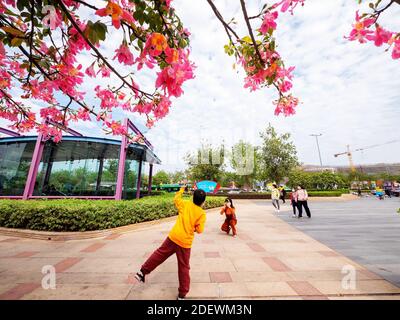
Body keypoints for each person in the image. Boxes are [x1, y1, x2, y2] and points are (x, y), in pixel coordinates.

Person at [134, 185, 207, 300]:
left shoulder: (185, 204)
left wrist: (182, 189)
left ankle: (142, 272)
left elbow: (176, 198)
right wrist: (193, 226)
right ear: (203, 201)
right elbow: (200, 230)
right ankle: (182, 295)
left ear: (192, 197)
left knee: (159, 254)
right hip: (185, 243)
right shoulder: (201, 213)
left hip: (173, 237)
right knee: (184, 267)